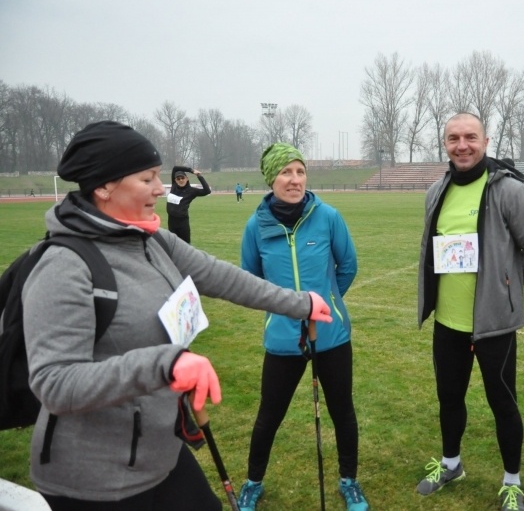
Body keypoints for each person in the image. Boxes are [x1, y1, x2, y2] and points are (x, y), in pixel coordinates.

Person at [22, 121, 333, 511]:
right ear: (103, 187)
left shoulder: (151, 240)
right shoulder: (63, 266)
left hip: (158, 450)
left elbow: (223, 277)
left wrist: (300, 303)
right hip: (95, 479)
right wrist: (165, 364)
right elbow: (55, 383)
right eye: (147, 178)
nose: (160, 188)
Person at [416, 112, 524, 511]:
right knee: (449, 398)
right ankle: (451, 463)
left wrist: (503, 287)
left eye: (470, 137)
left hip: (494, 325)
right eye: (454, 138)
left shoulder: (509, 191)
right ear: (446, 143)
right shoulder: (436, 191)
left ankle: (512, 481)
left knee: (503, 402)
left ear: (486, 140)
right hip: (448, 323)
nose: (462, 145)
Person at [237, 143, 367, 511]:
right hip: (281, 340)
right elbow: (252, 278)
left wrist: (326, 304)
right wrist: (284, 310)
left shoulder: (328, 217)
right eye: (285, 173)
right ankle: (253, 482)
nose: (294, 180)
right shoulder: (256, 226)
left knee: (343, 412)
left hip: (331, 336)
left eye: (300, 172)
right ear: (271, 179)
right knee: (268, 416)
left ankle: (349, 481)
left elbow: (348, 265)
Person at [167, 166, 211, 243]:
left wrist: (199, 176)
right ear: (175, 180)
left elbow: (207, 191)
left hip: (182, 222)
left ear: (187, 179)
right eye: (178, 179)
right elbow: (175, 168)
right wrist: (191, 170)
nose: (181, 180)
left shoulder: (191, 191)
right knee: (172, 245)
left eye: (182, 178)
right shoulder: (174, 186)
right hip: (171, 221)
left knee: (185, 245)